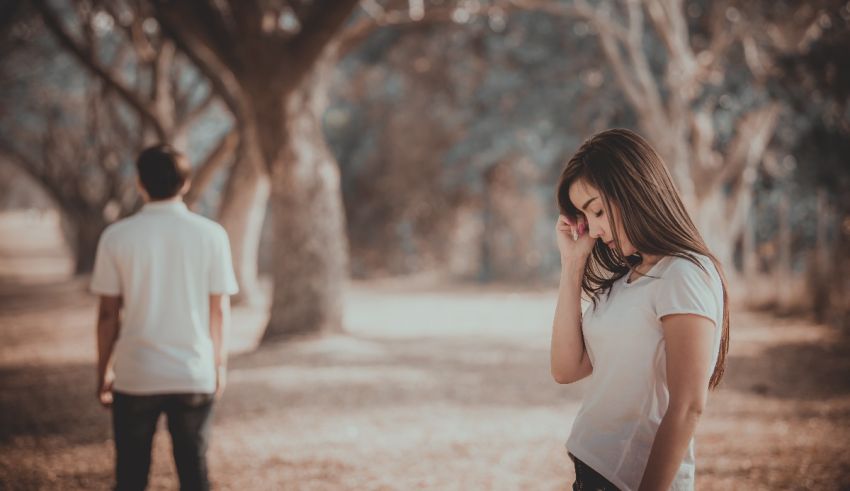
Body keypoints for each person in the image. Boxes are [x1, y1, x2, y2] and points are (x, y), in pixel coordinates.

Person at [551, 129, 729, 490]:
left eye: (598, 210)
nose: (596, 230)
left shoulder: (683, 273)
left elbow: (688, 404)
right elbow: (566, 369)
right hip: (590, 474)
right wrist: (572, 265)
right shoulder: (626, 278)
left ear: (635, 190)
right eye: (588, 217)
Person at [90, 144, 239, 491]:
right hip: (193, 372)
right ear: (185, 183)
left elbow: (108, 314)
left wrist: (103, 372)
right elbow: (219, 310)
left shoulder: (117, 237)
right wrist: (219, 365)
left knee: (130, 475)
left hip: (135, 374)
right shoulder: (211, 235)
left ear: (139, 183)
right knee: (194, 473)